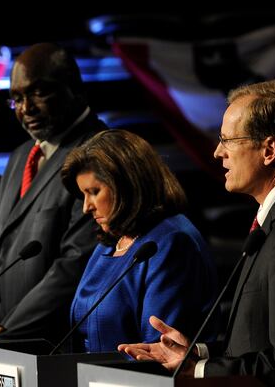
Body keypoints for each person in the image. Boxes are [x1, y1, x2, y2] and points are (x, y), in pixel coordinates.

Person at [118, 80, 275, 385]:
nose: (217, 152)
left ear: (269, 150)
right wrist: (197, 354)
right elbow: (262, 342)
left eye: (227, 140)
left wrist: (195, 372)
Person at [0, 43, 107, 341]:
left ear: (74, 89)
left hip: (48, 346)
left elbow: (74, 264)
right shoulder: (19, 157)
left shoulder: (99, 151)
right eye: (16, 98)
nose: (26, 108)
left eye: (39, 93)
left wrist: (5, 337)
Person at [59, 129, 219, 353]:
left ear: (126, 184)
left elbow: (156, 349)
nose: (87, 207)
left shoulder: (172, 242)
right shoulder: (110, 242)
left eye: (94, 192)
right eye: (83, 194)